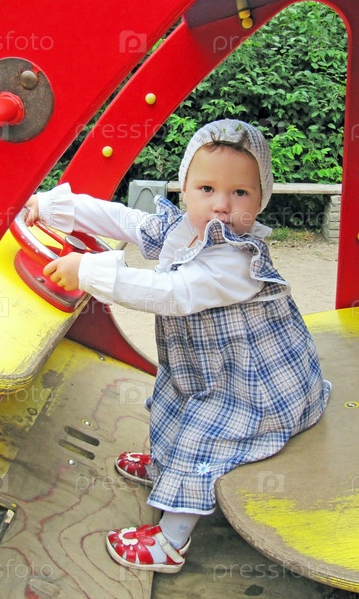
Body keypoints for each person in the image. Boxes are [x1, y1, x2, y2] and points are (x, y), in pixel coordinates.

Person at [25, 119, 330, 574]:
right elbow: (123, 219)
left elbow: (173, 293)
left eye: (241, 193)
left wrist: (87, 272)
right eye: (207, 188)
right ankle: (165, 469)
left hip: (254, 388)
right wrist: (52, 207)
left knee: (203, 437)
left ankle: (171, 541)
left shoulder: (237, 260)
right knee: (174, 404)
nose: (221, 205)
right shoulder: (183, 228)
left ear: (261, 199)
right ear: (184, 187)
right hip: (209, 369)